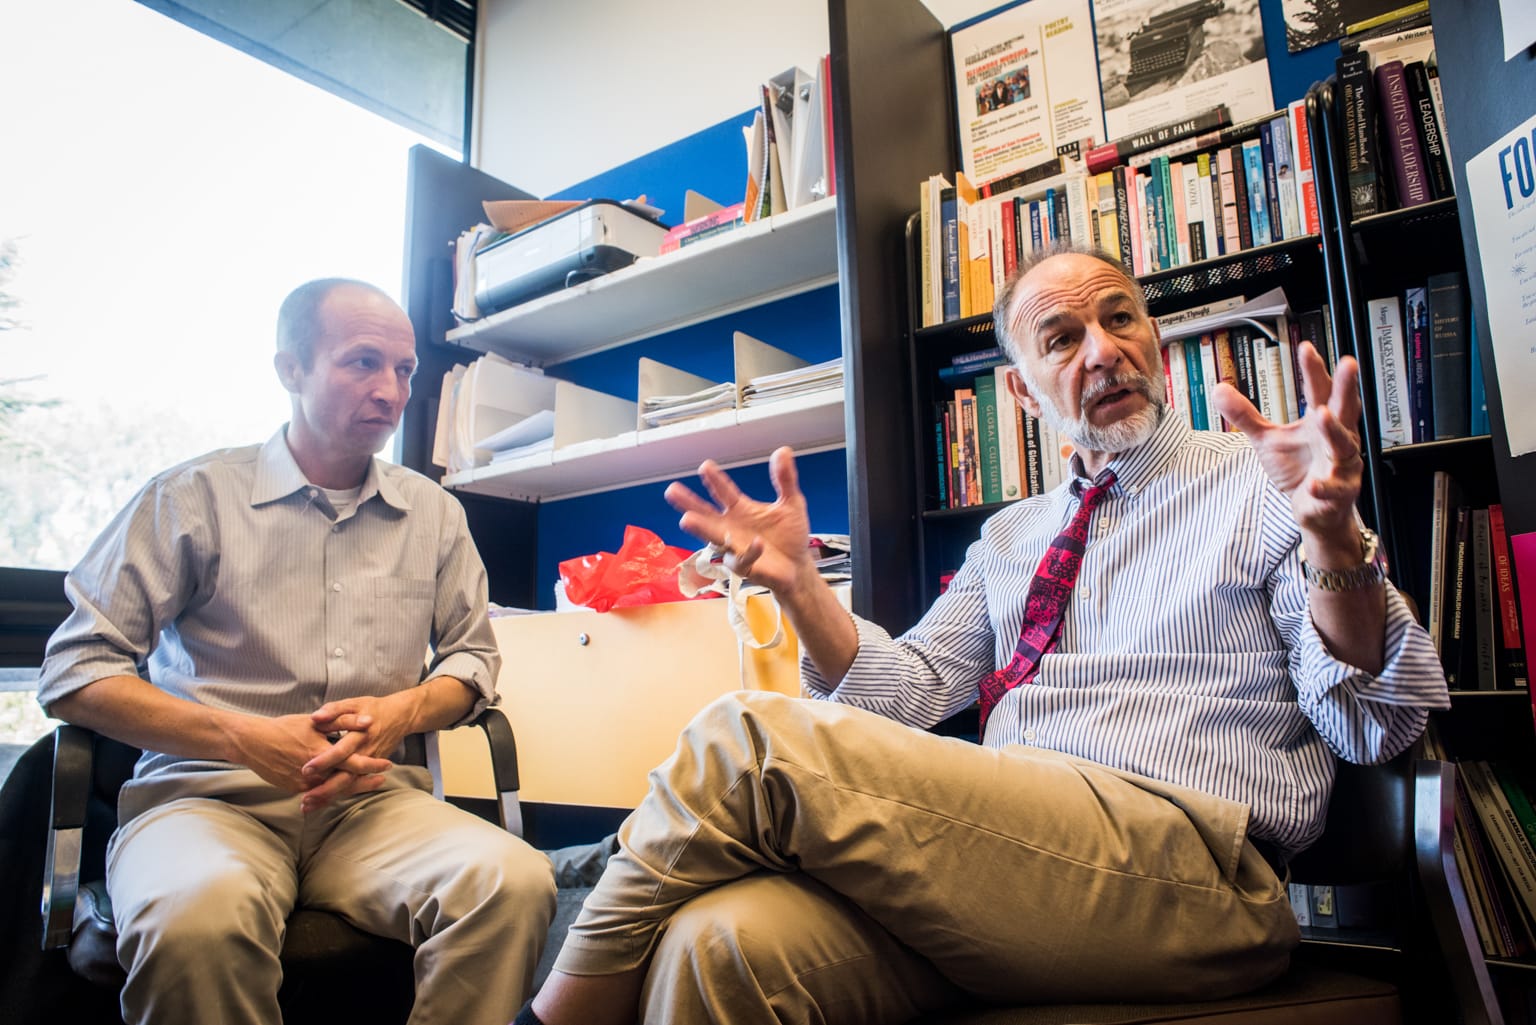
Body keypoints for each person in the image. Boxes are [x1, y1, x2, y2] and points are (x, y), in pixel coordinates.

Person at [517, 247, 1449, 1025]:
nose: (1103, 351)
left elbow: (1376, 724)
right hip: (1016, 863)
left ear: (1155, 339)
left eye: (1121, 320)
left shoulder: (1259, 482)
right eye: (1063, 337)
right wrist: (803, 590)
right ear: (1022, 386)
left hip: (1191, 872)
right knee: (720, 948)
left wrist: (1332, 534)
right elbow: (908, 690)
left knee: (746, 738)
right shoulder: (1009, 537)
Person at [36, 278, 556, 1025]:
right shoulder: (191, 498)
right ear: (291, 369)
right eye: (363, 362)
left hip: (369, 805)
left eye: (405, 370)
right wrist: (245, 738)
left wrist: (400, 709)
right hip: (208, 801)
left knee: (516, 882)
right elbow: (74, 671)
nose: (391, 389)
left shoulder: (436, 515)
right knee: (198, 920)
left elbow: (472, 664)